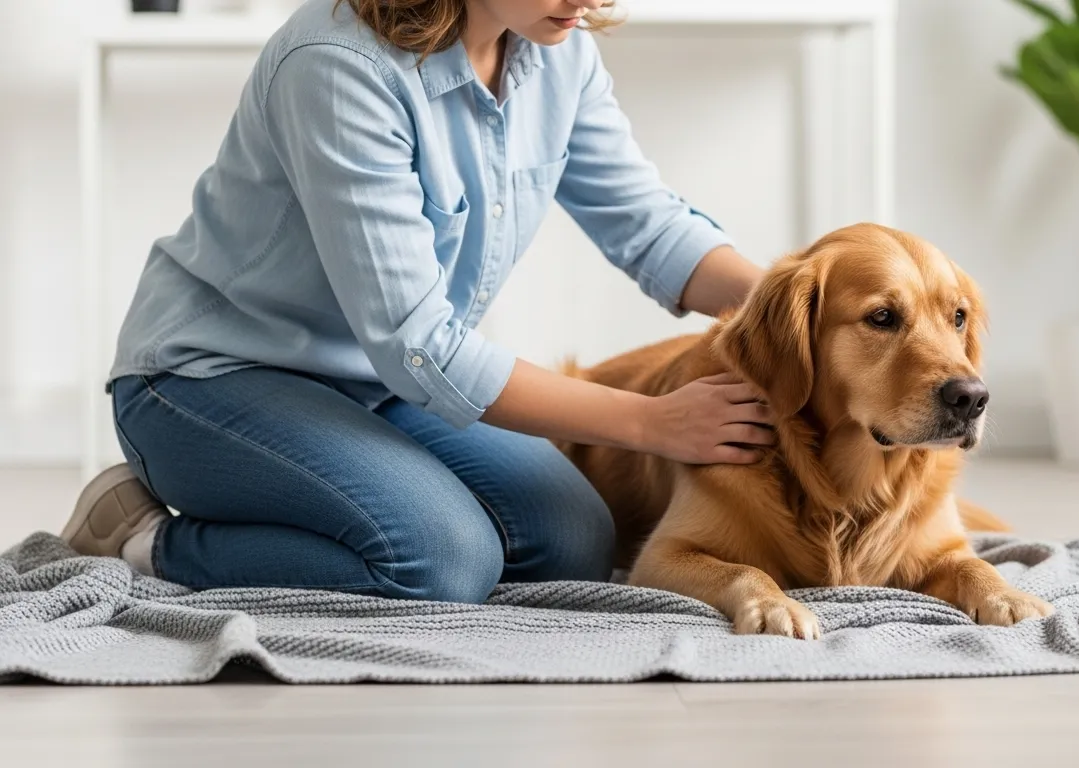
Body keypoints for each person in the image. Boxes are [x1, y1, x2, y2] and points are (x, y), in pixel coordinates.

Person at [58, 0, 774, 604]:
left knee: (573, 540)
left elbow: (648, 226)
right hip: (207, 382)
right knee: (441, 559)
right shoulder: (338, 66)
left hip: (377, 385)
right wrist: (654, 423)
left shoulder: (557, 53)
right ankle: (146, 540)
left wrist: (794, 304)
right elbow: (421, 344)